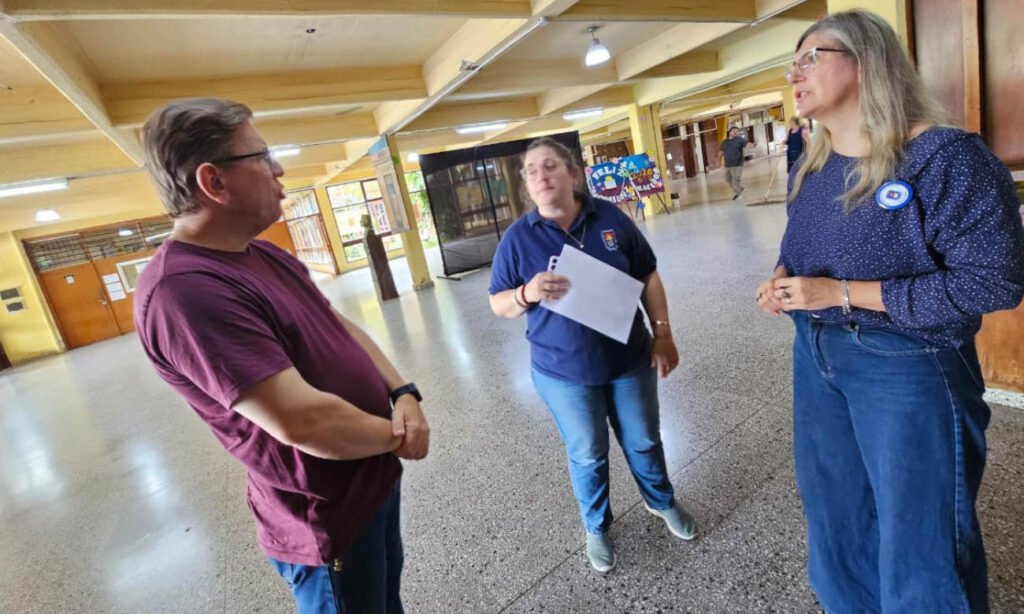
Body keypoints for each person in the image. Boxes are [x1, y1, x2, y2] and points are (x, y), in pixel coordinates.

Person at [756, 11, 1024, 614]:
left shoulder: (946, 158)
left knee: (920, 530)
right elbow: (801, 248)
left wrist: (843, 293)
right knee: (837, 511)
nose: (794, 74)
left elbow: (994, 283)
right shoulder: (814, 164)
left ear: (866, 61)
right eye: (790, 64)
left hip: (908, 364)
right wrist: (784, 279)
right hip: (817, 354)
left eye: (810, 58)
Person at [135, 97, 430, 614]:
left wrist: (401, 392)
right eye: (262, 156)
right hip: (326, 517)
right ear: (214, 182)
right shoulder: (184, 290)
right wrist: (398, 436)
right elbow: (305, 421)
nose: (279, 169)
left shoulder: (262, 251)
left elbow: (337, 325)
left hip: (370, 478)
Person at [488, 137, 697, 574]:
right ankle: (597, 526)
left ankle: (660, 501)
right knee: (587, 452)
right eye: (532, 171)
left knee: (643, 439)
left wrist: (663, 334)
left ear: (573, 174)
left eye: (550, 166)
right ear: (527, 187)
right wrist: (527, 293)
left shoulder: (610, 218)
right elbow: (499, 303)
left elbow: (648, 276)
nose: (541, 176)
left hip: (629, 361)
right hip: (563, 371)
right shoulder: (518, 239)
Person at [719, 126, 750, 199]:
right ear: (729, 132)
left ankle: (738, 194)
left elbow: (748, 144)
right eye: (734, 131)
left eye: (737, 131)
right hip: (728, 164)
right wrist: (719, 162)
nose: (735, 132)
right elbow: (720, 152)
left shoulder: (739, 140)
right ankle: (740, 188)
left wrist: (753, 145)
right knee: (728, 179)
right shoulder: (724, 142)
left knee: (736, 179)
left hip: (737, 164)